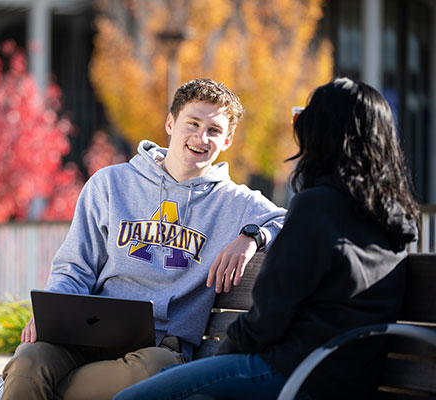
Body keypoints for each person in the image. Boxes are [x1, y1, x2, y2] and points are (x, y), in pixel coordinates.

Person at [113, 77, 420, 400]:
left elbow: (268, 316)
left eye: (303, 119)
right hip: (347, 380)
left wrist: (218, 360)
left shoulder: (318, 207)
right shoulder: (390, 219)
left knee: (130, 398)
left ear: (323, 134)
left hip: (291, 372)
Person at [0, 78, 286, 400]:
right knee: (28, 361)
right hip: (86, 335)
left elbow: (290, 219)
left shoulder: (235, 202)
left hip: (159, 348)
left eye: (214, 130)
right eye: (192, 123)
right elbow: (75, 266)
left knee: (152, 372)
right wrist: (51, 314)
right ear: (170, 123)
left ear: (228, 140)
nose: (200, 137)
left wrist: (252, 236)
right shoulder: (111, 183)